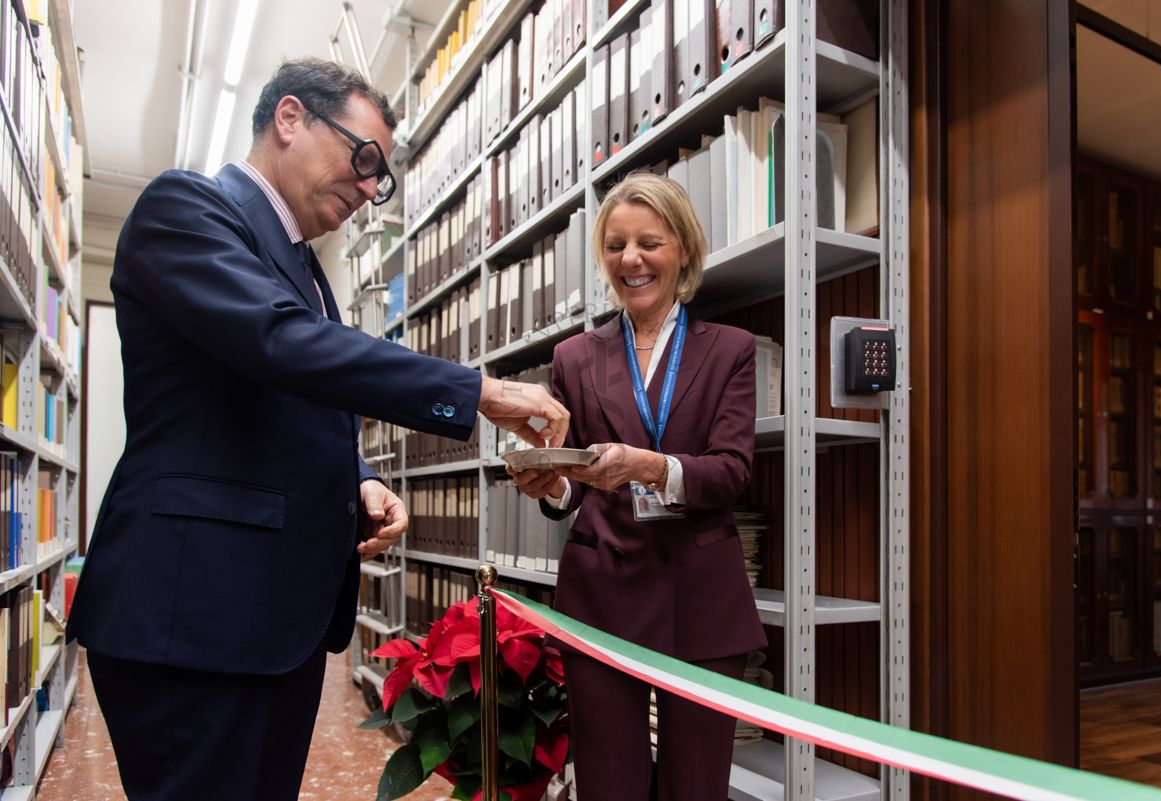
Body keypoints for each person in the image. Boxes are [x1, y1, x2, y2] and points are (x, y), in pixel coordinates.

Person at [66, 58, 567, 801]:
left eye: (380, 178)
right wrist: (476, 391)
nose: (370, 190)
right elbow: (279, 344)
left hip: (272, 624)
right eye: (363, 160)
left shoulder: (306, 270)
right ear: (290, 117)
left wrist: (358, 478)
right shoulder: (185, 209)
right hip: (195, 617)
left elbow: (293, 395)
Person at [509, 172, 766, 800]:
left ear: (682, 248)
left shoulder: (731, 349)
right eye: (616, 245)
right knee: (609, 784)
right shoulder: (574, 357)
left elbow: (732, 470)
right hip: (603, 597)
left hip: (701, 599)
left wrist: (650, 466)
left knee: (695, 787)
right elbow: (573, 489)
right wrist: (548, 483)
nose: (632, 260)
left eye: (649, 242)